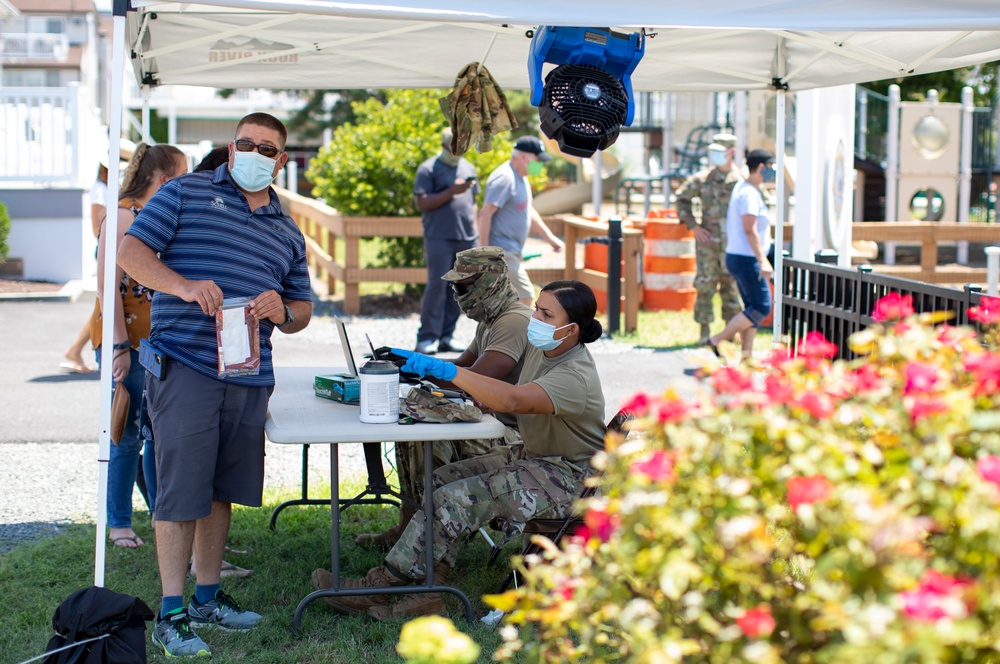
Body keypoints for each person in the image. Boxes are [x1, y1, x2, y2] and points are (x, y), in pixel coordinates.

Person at [118, 112, 313, 658]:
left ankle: (207, 596)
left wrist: (285, 310)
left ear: (280, 160)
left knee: (221, 489)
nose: (255, 153)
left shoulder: (285, 227)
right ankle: (172, 613)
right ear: (232, 148)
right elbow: (130, 253)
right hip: (186, 365)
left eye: (267, 148)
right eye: (247, 143)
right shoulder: (184, 192)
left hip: (249, 374)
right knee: (181, 492)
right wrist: (182, 286)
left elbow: (303, 309)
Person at [313, 280, 607, 621]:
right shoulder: (546, 351)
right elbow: (508, 401)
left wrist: (450, 371)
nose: (535, 318)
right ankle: (429, 590)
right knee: (441, 480)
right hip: (542, 459)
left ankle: (380, 585)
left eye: (545, 314)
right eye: (536, 309)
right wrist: (444, 375)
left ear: (570, 329)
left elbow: (513, 399)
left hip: (571, 478)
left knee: (454, 498)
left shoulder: (573, 374)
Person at [355, 246, 532, 551]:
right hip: (494, 427)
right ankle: (410, 529)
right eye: (454, 286)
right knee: (414, 435)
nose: (457, 293)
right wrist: (409, 362)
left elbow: (475, 380)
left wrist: (425, 366)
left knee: (425, 439)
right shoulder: (490, 320)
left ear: (490, 282)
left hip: (515, 438)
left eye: (463, 286)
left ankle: (425, 541)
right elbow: (462, 368)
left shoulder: (513, 321)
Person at [92, 143, 188, 549]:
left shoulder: (151, 215)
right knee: (125, 433)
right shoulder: (122, 215)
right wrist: (117, 346)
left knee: (151, 432)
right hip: (125, 342)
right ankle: (118, 523)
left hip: (151, 343)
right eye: (183, 175)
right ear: (165, 179)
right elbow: (106, 286)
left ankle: (156, 514)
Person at [62, 140, 136, 373]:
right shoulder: (100, 189)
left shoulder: (113, 188)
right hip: (107, 246)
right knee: (105, 299)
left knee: (106, 300)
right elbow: (97, 224)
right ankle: (75, 349)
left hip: (114, 244)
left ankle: (75, 349)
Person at [413, 128, 479, 355]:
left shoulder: (468, 167)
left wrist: (475, 228)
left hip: (466, 237)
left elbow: (473, 200)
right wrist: (452, 191)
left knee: (459, 289)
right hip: (439, 237)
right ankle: (426, 338)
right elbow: (422, 203)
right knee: (436, 287)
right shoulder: (428, 169)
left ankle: (446, 337)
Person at [674, 132, 744, 344]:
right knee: (705, 286)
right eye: (712, 151)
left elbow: (760, 206)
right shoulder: (702, 179)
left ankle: (730, 335)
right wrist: (694, 227)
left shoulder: (741, 181)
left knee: (731, 288)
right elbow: (681, 200)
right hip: (708, 245)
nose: (714, 155)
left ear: (731, 152)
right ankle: (704, 334)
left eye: (718, 151)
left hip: (733, 245)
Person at [477, 136, 564, 305]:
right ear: (525, 157)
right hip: (501, 250)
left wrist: (550, 239)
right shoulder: (505, 178)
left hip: (513, 250)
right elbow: (485, 213)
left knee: (507, 299)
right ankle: (519, 332)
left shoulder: (521, 178)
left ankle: (503, 331)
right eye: (537, 160)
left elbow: (528, 211)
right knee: (526, 295)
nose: (539, 165)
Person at [707, 148, 775, 361]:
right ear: (761, 167)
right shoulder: (748, 193)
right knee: (762, 306)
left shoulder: (745, 188)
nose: (773, 172)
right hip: (747, 259)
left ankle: (746, 358)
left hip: (741, 257)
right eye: (771, 167)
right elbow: (750, 229)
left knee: (752, 308)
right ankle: (719, 339)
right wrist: (763, 261)